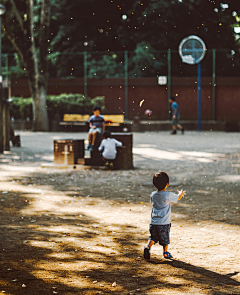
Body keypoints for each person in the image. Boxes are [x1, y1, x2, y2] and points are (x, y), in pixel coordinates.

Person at [144, 171, 186, 260]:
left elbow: (152, 202)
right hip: (164, 223)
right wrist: (180, 194)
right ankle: (165, 253)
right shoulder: (167, 195)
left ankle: (148, 247)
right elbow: (177, 198)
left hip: (153, 222)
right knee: (165, 239)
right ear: (168, 184)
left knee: (153, 237)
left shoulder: (153, 194)